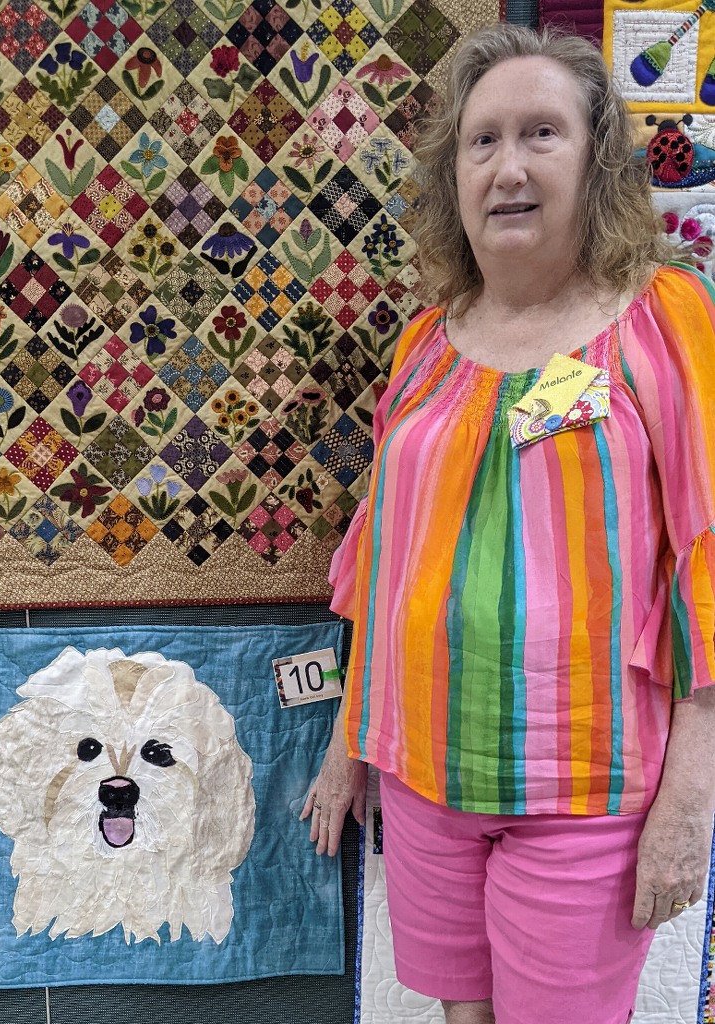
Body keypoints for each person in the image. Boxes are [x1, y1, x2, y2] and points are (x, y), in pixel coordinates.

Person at [301, 23, 715, 1024]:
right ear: (453, 176)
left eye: (541, 133)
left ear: (597, 158)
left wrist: (690, 795)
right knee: (462, 1015)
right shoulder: (424, 345)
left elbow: (705, 563)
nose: (508, 167)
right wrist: (350, 739)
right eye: (481, 141)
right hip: (423, 775)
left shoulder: (662, 319)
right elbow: (384, 559)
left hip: (584, 784)